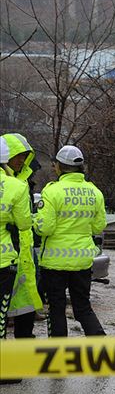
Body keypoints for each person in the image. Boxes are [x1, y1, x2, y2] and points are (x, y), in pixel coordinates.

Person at [33, 145, 107, 337]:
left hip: (54, 263)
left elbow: (45, 228)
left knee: (56, 309)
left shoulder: (52, 191)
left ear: (58, 166)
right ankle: (102, 345)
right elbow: (99, 226)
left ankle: (59, 354)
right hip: (82, 261)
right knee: (82, 307)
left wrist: (34, 221)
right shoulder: (95, 192)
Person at [0, 133, 43, 339]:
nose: (21, 160)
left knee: (25, 307)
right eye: (17, 156)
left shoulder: (25, 181)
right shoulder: (14, 184)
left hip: (24, 254)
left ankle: (23, 348)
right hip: (9, 253)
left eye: (25, 156)